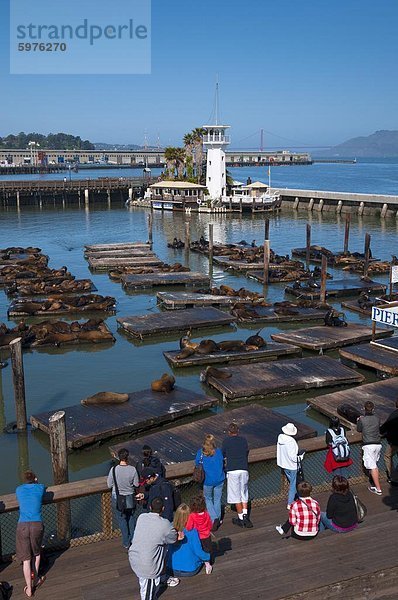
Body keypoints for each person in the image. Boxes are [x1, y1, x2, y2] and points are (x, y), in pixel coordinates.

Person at [129, 497, 180, 599]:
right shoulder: (165, 524)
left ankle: (162, 577)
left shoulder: (142, 517)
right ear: (163, 508)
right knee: (147, 594)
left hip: (134, 556)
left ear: (150, 507)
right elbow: (173, 538)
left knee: (163, 546)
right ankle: (159, 577)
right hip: (147, 567)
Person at [15, 470, 46, 598]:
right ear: (35, 479)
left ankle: (29, 589)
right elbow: (43, 489)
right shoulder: (40, 487)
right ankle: (36, 579)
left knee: (26, 560)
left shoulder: (19, 490)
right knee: (37, 554)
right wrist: (37, 482)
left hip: (22, 525)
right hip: (36, 525)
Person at [107, 448, 139, 549]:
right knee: (131, 518)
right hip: (129, 497)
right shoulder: (132, 469)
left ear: (119, 457)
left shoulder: (114, 470)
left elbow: (109, 485)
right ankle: (133, 539)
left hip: (118, 498)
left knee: (122, 520)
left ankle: (126, 542)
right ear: (127, 457)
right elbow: (136, 484)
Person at [222, 422, 252, 528]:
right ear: (238, 431)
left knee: (236, 496)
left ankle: (241, 519)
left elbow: (223, 454)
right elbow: (246, 451)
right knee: (244, 493)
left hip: (232, 470)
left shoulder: (226, 441)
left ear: (229, 432)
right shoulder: (243, 440)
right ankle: (245, 515)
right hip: (244, 469)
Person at [168, 504, 211, 577]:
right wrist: (207, 557)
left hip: (171, 568)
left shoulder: (169, 528)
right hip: (190, 569)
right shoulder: (192, 531)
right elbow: (198, 551)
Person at [195, 434, 225, 530]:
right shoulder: (218, 451)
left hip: (207, 481)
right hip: (219, 479)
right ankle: (218, 519)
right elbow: (222, 461)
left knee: (208, 499)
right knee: (217, 499)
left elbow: (197, 464)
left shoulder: (200, 453)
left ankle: (213, 519)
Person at [357, 401, 382, 495]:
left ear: (364, 408)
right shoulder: (377, 418)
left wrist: (358, 420)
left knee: (373, 467)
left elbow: (359, 429)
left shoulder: (362, 419)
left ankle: (378, 489)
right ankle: (375, 485)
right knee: (374, 465)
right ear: (373, 409)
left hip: (368, 445)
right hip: (378, 444)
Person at [186, 494, 213, 574]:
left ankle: (200, 561)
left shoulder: (192, 516)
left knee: (198, 549)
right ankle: (208, 563)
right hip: (206, 535)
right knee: (207, 549)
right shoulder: (206, 514)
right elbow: (210, 525)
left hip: (197, 536)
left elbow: (189, 527)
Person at [276, 423, 300, 509]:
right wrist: (300, 457)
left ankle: (299, 497)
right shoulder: (291, 441)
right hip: (292, 466)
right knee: (293, 484)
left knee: (292, 482)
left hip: (284, 465)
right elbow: (293, 457)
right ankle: (290, 503)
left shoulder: (280, 438)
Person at [380, 400, 398, 483]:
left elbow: (384, 427)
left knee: (387, 456)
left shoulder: (394, 415)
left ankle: (393, 477)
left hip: (395, 442)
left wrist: (381, 431)